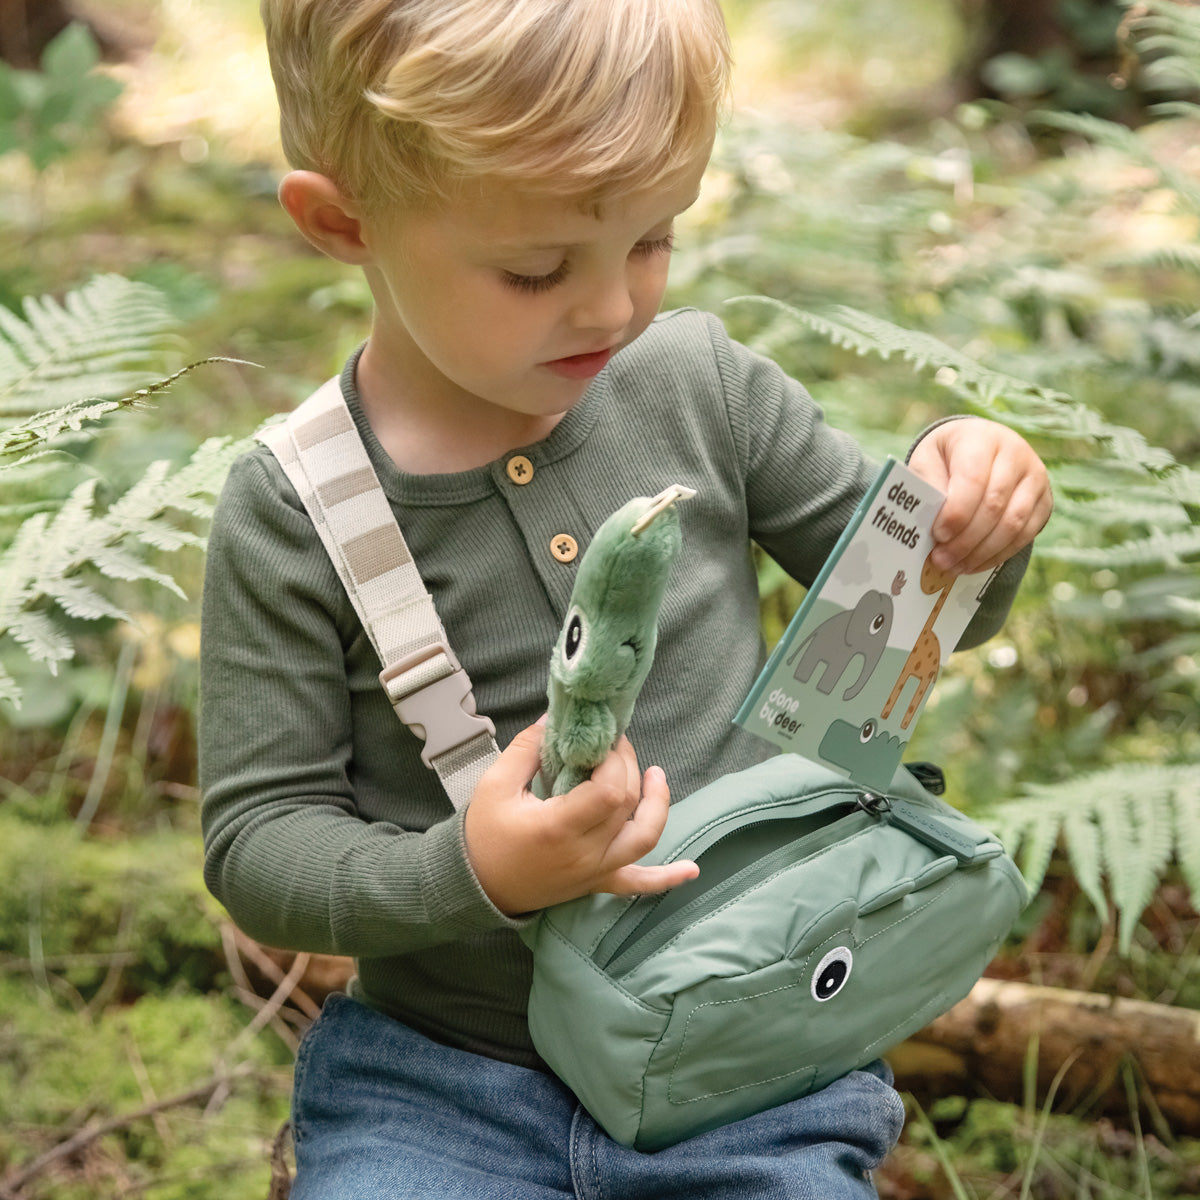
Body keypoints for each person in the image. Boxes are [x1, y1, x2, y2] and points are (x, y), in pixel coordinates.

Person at [199, 1, 1053, 1195]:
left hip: (756, 1049)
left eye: (654, 239)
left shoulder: (698, 386)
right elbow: (258, 844)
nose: (610, 308)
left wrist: (972, 499)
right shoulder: (294, 507)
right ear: (344, 222)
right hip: (443, 1085)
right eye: (536, 268)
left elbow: (911, 610)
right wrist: (471, 871)